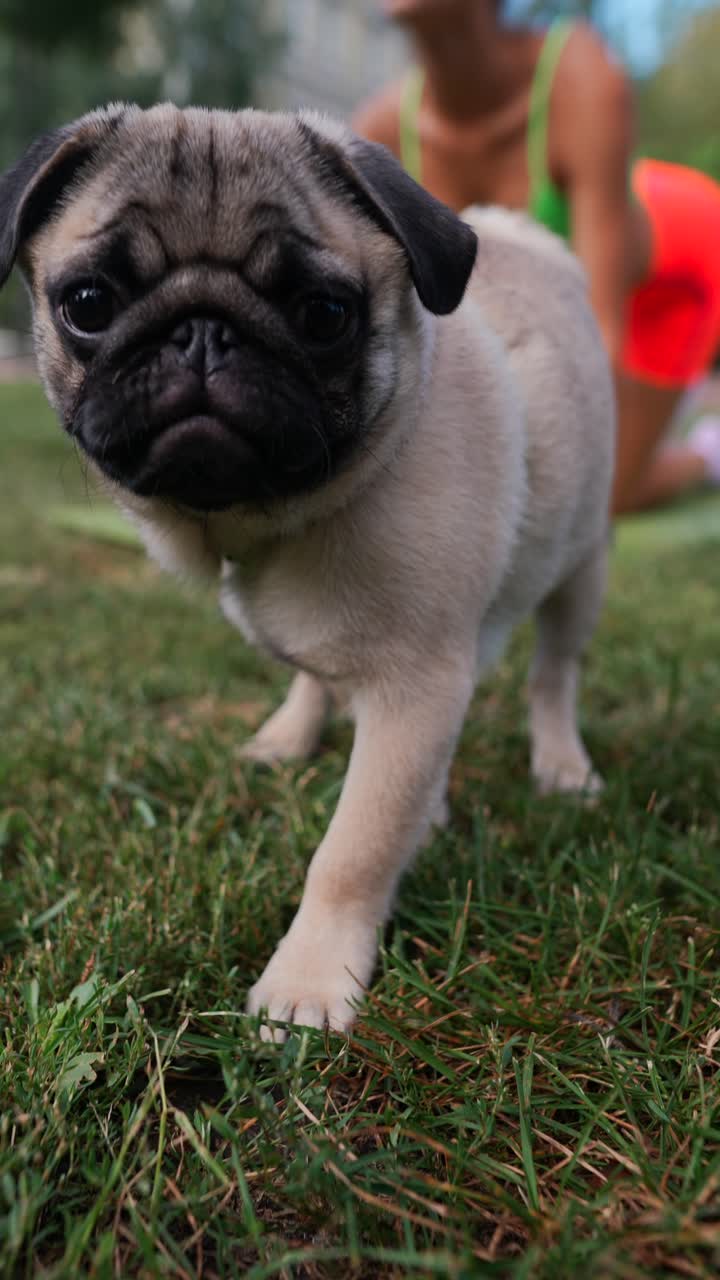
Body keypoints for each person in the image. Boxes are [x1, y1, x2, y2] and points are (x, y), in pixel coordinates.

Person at [353, 0, 720, 514]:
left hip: (682, 267)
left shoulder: (579, 77)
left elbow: (598, 335)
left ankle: (709, 453)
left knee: (600, 498)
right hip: (593, 272)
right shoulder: (381, 132)